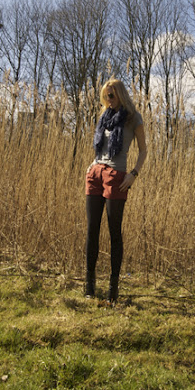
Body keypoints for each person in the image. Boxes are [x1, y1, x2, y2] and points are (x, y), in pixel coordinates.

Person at [84, 78, 147, 304]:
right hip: (95, 174)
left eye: (111, 95)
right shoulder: (104, 116)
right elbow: (100, 147)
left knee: (114, 232)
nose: (108, 100)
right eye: (105, 96)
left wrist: (134, 174)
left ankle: (113, 288)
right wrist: (92, 164)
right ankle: (89, 285)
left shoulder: (133, 118)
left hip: (116, 176)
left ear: (120, 94)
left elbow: (143, 150)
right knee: (92, 230)